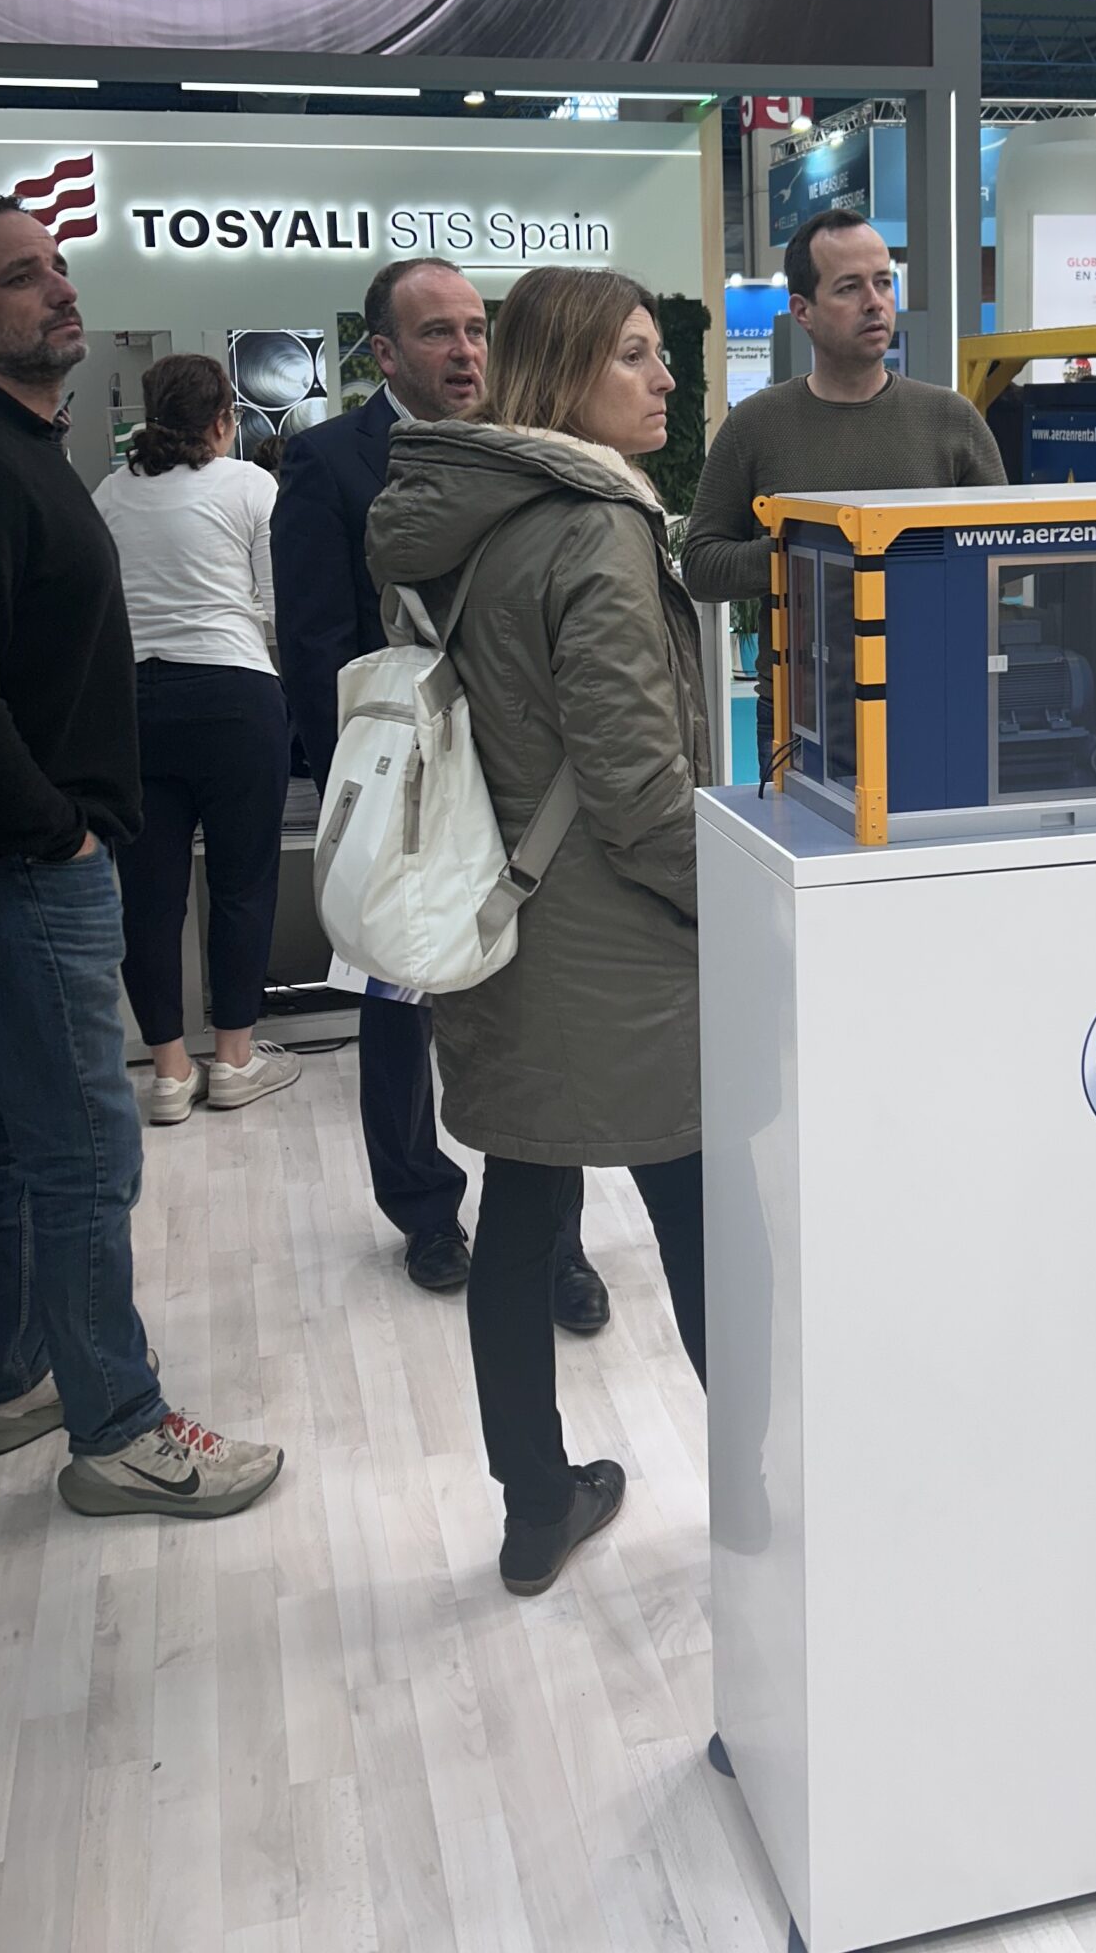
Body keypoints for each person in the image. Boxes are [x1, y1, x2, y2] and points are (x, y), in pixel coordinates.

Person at [0, 196, 282, 1522]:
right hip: (14, 867)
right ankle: (118, 1428)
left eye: (56, 265)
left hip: (5, 860)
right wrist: (55, 830)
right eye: (19, 276)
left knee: (15, 1132)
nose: (58, 287)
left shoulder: (14, 449)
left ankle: (5, 1379)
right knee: (86, 1151)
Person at [367, 267, 709, 1597]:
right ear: (566, 373)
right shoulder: (597, 529)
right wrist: (735, 905)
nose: (665, 378)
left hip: (497, 917)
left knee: (519, 1209)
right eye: (635, 355)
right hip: (619, 945)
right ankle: (774, 1504)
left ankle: (533, 1507)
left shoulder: (460, 516)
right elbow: (637, 792)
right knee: (698, 1217)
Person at [274, 258, 605, 1323]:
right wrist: (358, 800)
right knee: (396, 1000)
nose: (466, 351)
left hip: (522, 790)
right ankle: (423, 1211)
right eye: (438, 333)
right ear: (383, 351)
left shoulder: (528, 450)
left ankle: (555, 1239)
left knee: (541, 1016)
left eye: (476, 329)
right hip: (406, 791)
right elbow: (316, 646)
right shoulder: (329, 462)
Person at [683, 207, 1006, 770]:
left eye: (883, 282)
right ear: (802, 311)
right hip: (800, 715)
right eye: (850, 287)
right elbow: (702, 564)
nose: (875, 302)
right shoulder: (756, 425)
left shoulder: (951, 419)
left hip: (934, 701)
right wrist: (810, 550)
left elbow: (1008, 550)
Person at [94, 353, 301, 1127]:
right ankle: (236, 1061)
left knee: (149, 897)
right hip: (234, 697)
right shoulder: (251, 485)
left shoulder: (109, 493)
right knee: (244, 883)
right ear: (224, 419)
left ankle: (169, 1074)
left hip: (133, 706)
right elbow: (278, 609)